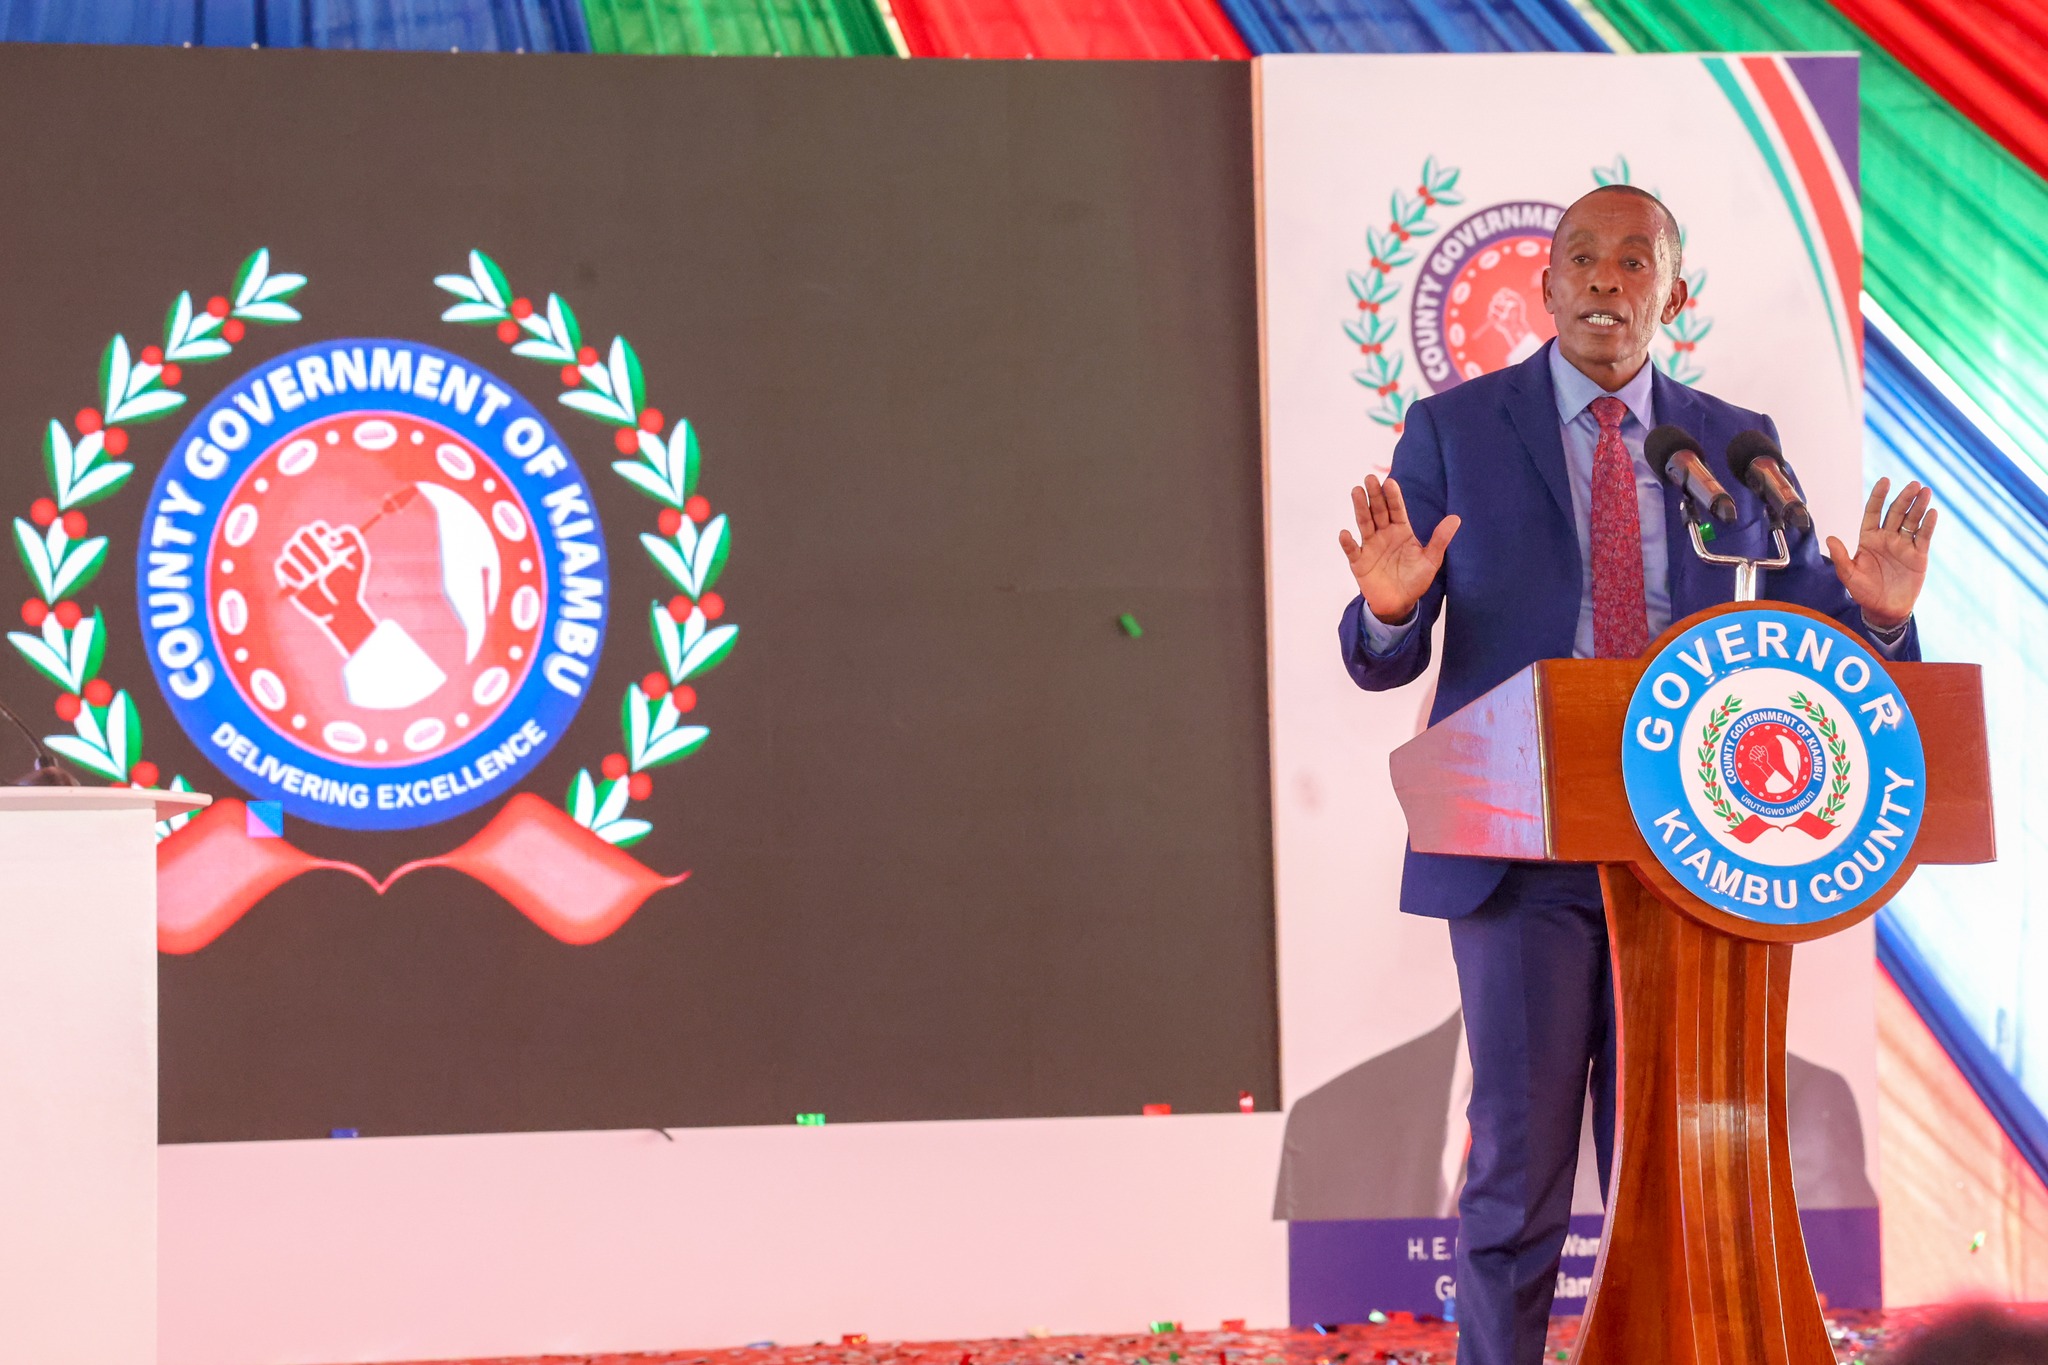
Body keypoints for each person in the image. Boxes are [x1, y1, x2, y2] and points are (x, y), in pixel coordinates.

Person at [1334, 184, 1935, 1365]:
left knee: (1676, 1175)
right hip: (1523, 847)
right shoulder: (1454, 430)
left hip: (1694, 849)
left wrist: (1875, 619)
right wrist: (1390, 611)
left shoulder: (1733, 444)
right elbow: (1380, 653)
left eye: (1632, 260)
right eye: (1580, 258)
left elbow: (1806, 628)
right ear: (1544, 285)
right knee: (1517, 1170)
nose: (1604, 279)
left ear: (1671, 292)